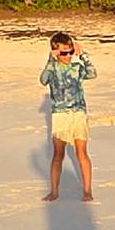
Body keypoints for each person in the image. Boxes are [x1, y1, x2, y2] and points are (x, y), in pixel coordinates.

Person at [40, 32, 95, 202]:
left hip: (78, 112)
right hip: (60, 115)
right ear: (55, 52)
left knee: (82, 153)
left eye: (70, 52)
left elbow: (92, 73)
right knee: (58, 154)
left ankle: (87, 190)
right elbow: (43, 80)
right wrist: (50, 60)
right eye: (63, 53)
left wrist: (83, 54)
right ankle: (54, 191)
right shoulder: (53, 68)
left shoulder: (76, 67)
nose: (68, 56)